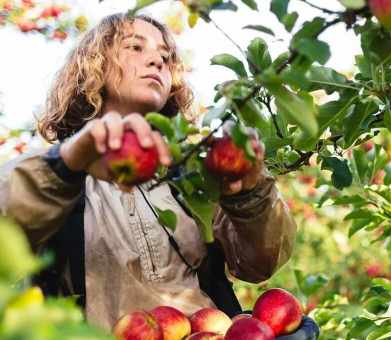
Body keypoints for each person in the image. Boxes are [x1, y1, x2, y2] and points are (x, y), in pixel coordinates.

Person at [0, 13, 297, 331]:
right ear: (95, 64)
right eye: (135, 47)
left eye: (165, 57)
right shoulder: (56, 171)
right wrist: (67, 164)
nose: (156, 59)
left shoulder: (193, 174)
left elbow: (260, 264)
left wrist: (250, 194)